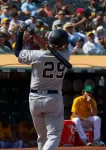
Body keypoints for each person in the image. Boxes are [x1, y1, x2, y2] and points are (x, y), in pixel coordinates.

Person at [14, 22, 70, 150]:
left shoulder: (37, 55)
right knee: (54, 135)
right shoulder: (66, 55)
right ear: (64, 44)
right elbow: (50, 47)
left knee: (42, 135)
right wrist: (35, 36)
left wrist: (21, 32)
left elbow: (17, 51)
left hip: (34, 98)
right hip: (53, 98)